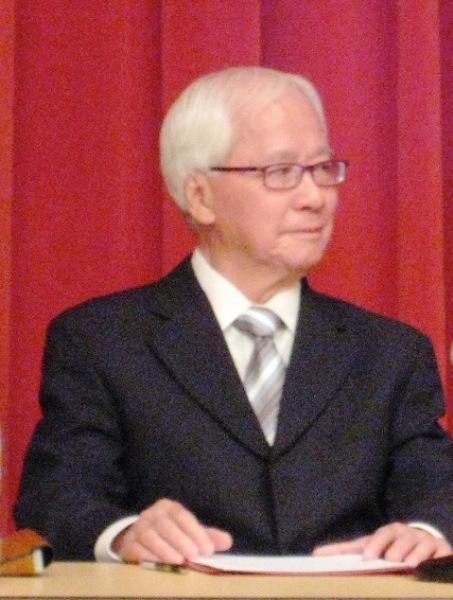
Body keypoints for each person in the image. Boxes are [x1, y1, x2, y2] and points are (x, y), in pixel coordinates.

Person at [15, 66, 453, 566]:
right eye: (281, 172)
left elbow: (436, 487)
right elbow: (57, 498)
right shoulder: (103, 341)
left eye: (323, 168)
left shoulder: (391, 353)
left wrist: (426, 532)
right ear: (200, 196)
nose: (315, 197)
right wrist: (124, 534)